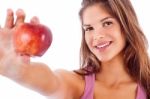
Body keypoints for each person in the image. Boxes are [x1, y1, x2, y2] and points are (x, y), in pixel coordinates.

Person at [0, 0, 149, 99]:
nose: (96, 36)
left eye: (107, 23)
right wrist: (14, 68)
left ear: (126, 25)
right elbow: (52, 81)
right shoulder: (78, 84)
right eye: (89, 28)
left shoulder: (146, 84)